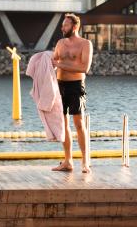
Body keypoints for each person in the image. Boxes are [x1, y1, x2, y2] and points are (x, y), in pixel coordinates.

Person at [51, 13, 94, 173]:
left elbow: (84, 68)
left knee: (79, 123)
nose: (62, 28)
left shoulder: (85, 44)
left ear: (75, 27)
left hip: (76, 85)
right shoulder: (60, 43)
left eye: (66, 25)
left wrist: (60, 65)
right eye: (63, 25)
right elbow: (54, 62)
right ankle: (68, 161)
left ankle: (85, 162)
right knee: (63, 124)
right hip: (60, 85)